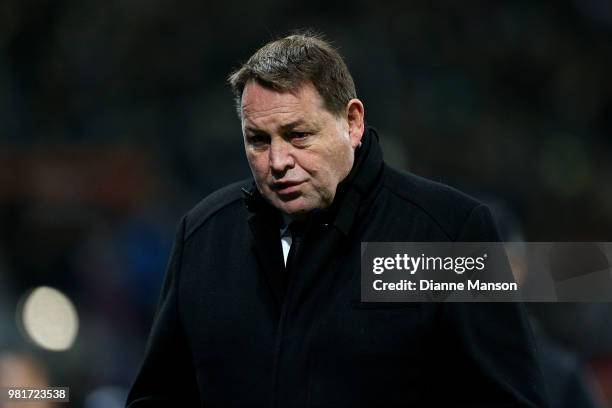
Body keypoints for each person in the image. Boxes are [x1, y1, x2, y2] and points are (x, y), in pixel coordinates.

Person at [126, 33, 548, 407]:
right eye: (258, 140)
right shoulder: (204, 237)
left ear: (352, 122)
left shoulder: (452, 233)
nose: (278, 161)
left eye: (298, 135)